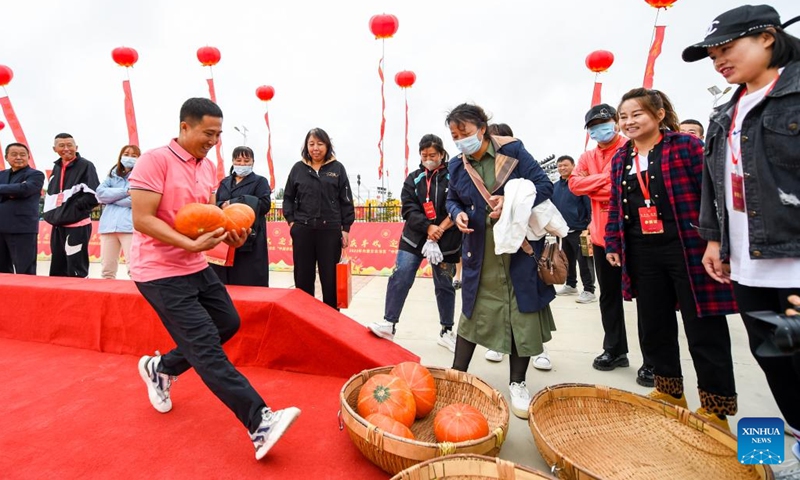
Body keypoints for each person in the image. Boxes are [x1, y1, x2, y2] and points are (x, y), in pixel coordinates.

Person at [129, 98, 299, 460]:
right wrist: (189, 242)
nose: (214, 140)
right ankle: (259, 422)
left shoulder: (207, 169)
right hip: (158, 271)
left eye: (218, 134)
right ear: (184, 126)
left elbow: (202, 217)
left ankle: (161, 368)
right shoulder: (154, 160)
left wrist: (230, 234)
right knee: (205, 346)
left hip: (193, 264)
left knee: (228, 322)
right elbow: (143, 219)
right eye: (208, 133)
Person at [683, 3, 800, 455]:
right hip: (748, 265)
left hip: (793, 258)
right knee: (774, 361)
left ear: (768, 37)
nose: (719, 62)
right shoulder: (723, 114)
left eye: (727, 49)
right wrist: (713, 239)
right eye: (713, 56)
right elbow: (717, 184)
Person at [605, 88, 738, 431]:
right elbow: (615, 208)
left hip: (688, 247)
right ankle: (669, 391)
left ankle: (715, 406)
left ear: (659, 114)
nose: (629, 122)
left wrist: (716, 241)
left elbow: (714, 195)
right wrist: (613, 243)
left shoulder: (685, 146)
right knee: (654, 324)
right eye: (623, 116)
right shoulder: (621, 158)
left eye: (636, 114)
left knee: (703, 326)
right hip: (642, 251)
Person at [445, 103, 556, 419]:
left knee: (520, 314)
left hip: (518, 250)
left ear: (482, 128)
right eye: (454, 135)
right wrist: (457, 213)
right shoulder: (457, 166)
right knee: (473, 312)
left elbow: (544, 186)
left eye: (464, 132)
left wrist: (511, 201)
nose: (460, 139)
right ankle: (457, 376)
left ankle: (518, 383)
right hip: (481, 251)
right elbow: (452, 199)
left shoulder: (514, 152)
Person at [568, 104, 653, 387]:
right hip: (602, 237)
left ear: (615, 123)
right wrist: (608, 180)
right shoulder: (587, 156)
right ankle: (615, 349)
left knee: (647, 299)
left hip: (635, 234)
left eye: (604, 123)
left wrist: (599, 184)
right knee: (609, 297)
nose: (599, 130)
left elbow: (626, 183)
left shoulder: (632, 148)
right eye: (593, 126)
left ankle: (652, 360)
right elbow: (575, 185)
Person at [368, 134, 460, 351]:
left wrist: (440, 229)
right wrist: (428, 227)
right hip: (414, 237)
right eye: (424, 155)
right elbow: (408, 208)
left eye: (433, 155)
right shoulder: (414, 178)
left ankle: (446, 330)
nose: (428, 158)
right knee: (401, 276)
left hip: (446, 239)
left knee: (445, 284)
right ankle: (389, 323)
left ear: (442, 154)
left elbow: (458, 203)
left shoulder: (453, 177)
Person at [482, 121, 552, 371]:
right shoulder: (479, 169)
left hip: (527, 240)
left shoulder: (521, 162)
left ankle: (539, 347)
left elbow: (545, 187)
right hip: (496, 242)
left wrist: (512, 200)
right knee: (501, 296)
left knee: (530, 293)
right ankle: (500, 343)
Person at [283, 128, 355, 309]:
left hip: (330, 231)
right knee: (303, 277)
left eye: (320, 144)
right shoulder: (298, 169)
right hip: (303, 230)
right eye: (311, 144)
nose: (315, 148)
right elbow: (288, 198)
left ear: (327, 146)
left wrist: (345, 229)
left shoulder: (337, 168)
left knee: (330, 279)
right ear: (306, 146)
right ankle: (305, 318)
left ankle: (331, 321)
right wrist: (292, 223)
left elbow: (346, 200)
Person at [211, 146, 271, 287]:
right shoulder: (224, 182)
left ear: (252, 162)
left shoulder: (260, 181)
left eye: (246, 160)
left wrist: (234, 203)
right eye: (238, 160)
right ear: (233, 161)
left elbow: (264, 204)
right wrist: (222, 205)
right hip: (225, 236)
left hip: (249, 236)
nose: (242, 164)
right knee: (223, 281)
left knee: (248, 278)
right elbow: (216, 203)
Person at [43, 133, 100, 278]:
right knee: (58, 266)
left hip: (77, 225)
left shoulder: (86, 165)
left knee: (75, 269)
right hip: (58, 225)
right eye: (61, 145)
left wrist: (74, 210)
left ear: (76, 147)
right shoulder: (56, 168)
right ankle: (57, 299)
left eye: (70, 145)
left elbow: (94, 195)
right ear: (54, 148)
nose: (66, 148)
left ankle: (80, 299)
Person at [553, 155, 596, 303]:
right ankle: (571, 285)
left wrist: (589, 226)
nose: (562, 168)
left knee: (584, 261)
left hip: (580, 230)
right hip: (562, 231)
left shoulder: (579, 184)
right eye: (559, 166)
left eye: (565, 165)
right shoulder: (555, 187)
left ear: (573, 166)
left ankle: (589, 290)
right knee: (567, 260)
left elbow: (589, 206)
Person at [0, 143, 45, 275]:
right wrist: (12, 191)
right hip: (1, 227)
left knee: (25, 270)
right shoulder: (1, 175)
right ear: (6, 157)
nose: (19, 157)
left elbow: (24, 190)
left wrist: (14, 190)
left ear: (28, 157)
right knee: (2, 271)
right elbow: (17, 189)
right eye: (14, 154)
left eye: (22, 154)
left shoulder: (36, 175)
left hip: (22, 229)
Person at [96, 145, 139, 279]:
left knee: (134, 267)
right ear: (120, 156)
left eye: (134, 156)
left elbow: (136, 199)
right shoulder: (111, 175)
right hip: (108, 227)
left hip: (129, 227)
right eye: (126, 154)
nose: (129, 158)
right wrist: (125, 192)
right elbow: (100, 194)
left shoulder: (141, 175)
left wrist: (111, 199)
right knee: (107, 269)